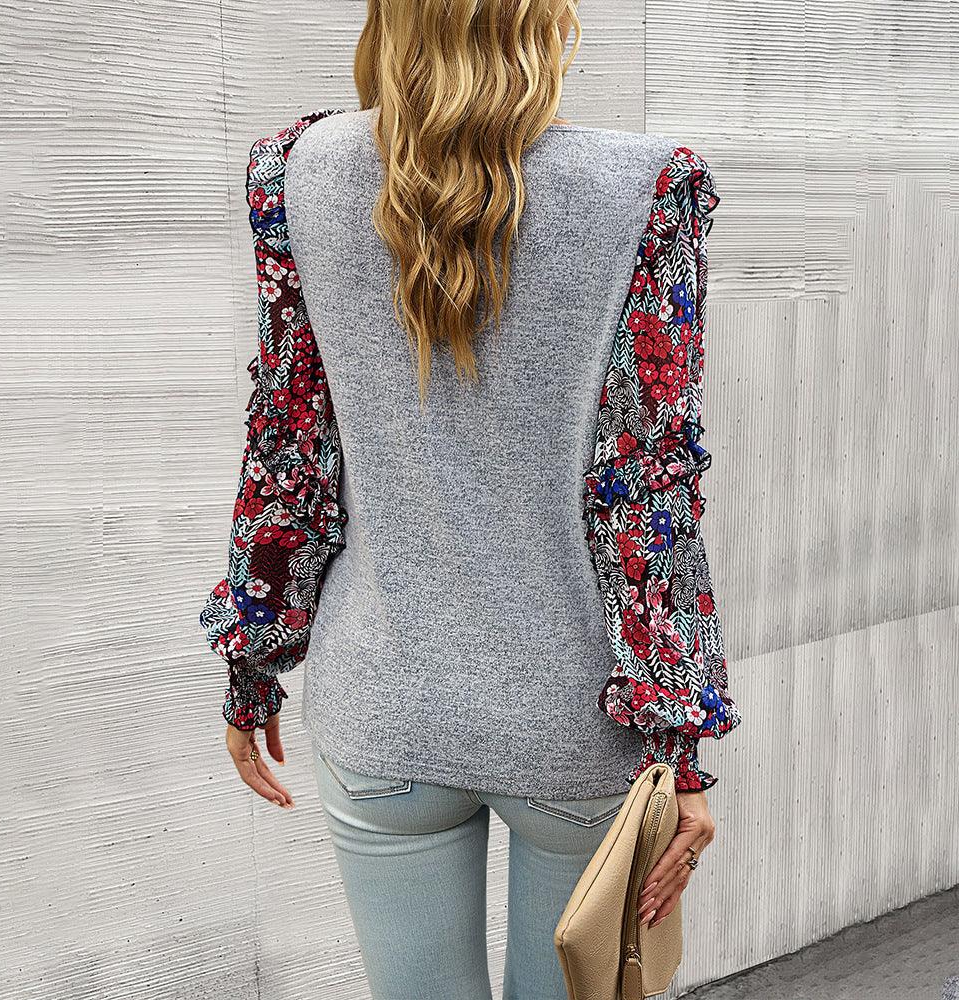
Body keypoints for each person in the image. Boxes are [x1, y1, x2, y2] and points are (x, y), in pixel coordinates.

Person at [198, 2, 742, 997]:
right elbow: (648, 490)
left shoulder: (293, 170)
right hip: (575, 726)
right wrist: (682, 752)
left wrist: (253, 663)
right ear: (544, 21)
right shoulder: (647, 186)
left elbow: (288, 445)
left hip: (383, 708)